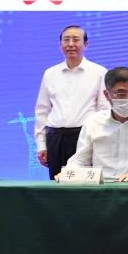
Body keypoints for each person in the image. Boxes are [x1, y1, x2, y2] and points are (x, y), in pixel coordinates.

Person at [34, 25, 107, 179]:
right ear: (60, 45)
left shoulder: (99, 72)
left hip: (84, 137)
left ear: (86, 44)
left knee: (82, 185)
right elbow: (42, 111)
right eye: (66, 40)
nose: (71, 44)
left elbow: (103, 111)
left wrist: (99, 142)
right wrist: (41, 144)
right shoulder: (50, 73)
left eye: (76, 40)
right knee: (56, 184)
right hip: (55, 138)